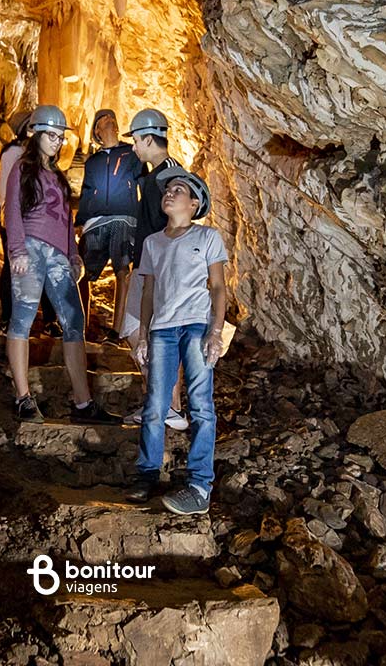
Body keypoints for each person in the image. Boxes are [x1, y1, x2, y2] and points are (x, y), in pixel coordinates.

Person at [5, 104, 121, 425]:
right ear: (36, 134)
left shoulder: (57, 175)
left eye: (60, 137)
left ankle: (83, 404)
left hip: (58, 254)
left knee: (74, 319)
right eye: (51, 136)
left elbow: (67, 221)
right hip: (30, 245)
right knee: (23, 318)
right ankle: (23, 398)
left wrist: (73, 255)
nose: (57, 142)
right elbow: (12, 208)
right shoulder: (22, 168)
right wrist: (16, 250)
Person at [125, 166, 227, 514]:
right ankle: (147, 474)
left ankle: (199, 485)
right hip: (163, 330)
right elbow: (149, 290)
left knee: (201, 405)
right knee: (155, 404)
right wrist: (142, 334)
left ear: (194, 202)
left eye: (178, 189)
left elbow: (217, 287)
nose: (169, 193)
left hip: (197, 325)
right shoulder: (152, 243)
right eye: (167, 190)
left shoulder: (208, 237)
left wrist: (216, 331)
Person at [120, 109, 188, 431]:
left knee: (159, 335)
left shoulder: (170, 175)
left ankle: (170, 407)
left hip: (161, 271)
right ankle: (157, 403)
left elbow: (180, 222)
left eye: (135, 141)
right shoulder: (154, 176)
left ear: (149, 138)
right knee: (136, 331)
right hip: (147, 266)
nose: (134, 147)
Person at [75, 109, 139, 341]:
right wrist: (80, 221)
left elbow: (143, 181)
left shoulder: (131, 153)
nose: (109, 121)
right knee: (81, 273)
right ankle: (79, 326)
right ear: (97, 132)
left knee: (123, 270)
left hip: (124, 218)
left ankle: (117, 330)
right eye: (103, 121)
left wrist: (143, 217)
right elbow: (86, 191)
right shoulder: (93, 162)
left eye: (112, 118)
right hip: (96, 222)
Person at [0, 111, 60, 336]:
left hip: (38, 219)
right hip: (15, 216)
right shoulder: (14, 153)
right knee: (12, 267)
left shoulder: (41, 158)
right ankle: (9, 318)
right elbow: (11, 190)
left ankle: (49, 319)